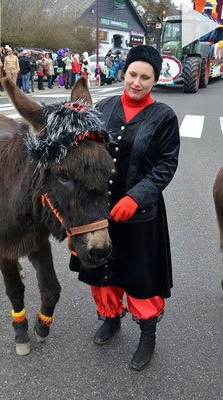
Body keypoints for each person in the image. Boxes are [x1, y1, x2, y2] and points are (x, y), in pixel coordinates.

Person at [69, 45, 180, 371]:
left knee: (140, 278)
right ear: (125, 73)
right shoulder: (102, 107)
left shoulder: (164, 117)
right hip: (98, 213)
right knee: (102, 272)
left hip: (141, 218)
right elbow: (81, 151)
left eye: (145, 77)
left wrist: (135, 197)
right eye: (133, 74)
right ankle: (110, 318)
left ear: (154, 80)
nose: (137, 81)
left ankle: (147, 335)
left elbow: (165, 165)